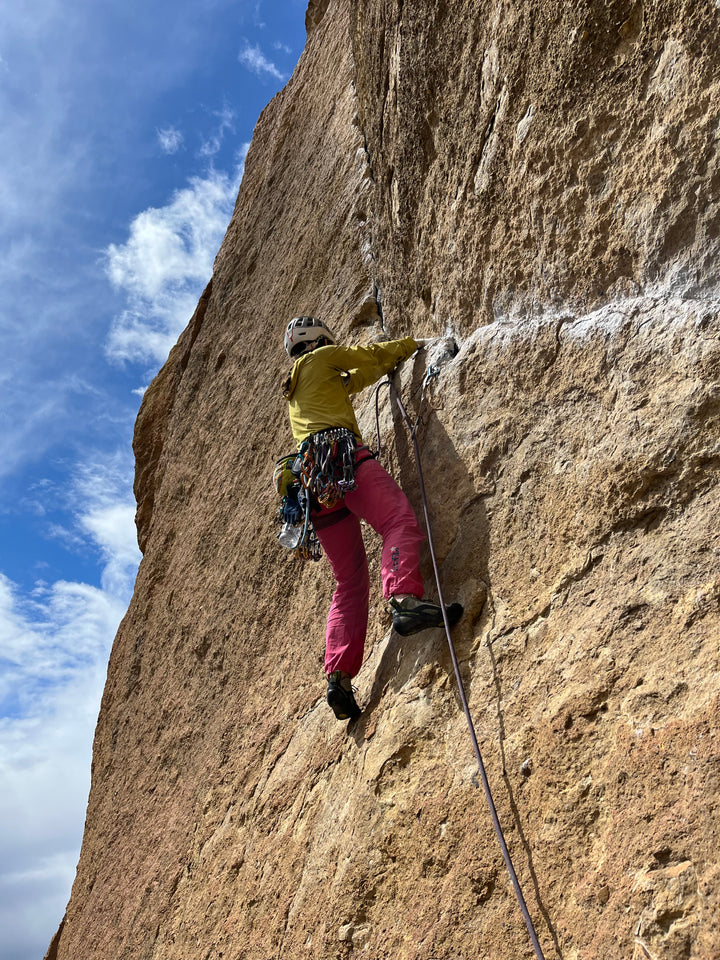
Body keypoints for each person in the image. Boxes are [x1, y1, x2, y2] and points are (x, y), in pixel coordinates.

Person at [282, 316, 463, 722]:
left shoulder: (298, 386)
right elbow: (367, 356)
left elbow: (358, 376)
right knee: (397, 519)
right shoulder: (324, 358)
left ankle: (339, 677)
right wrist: (410, 345)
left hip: (314, 486)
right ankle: (404, 599)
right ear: (321, 341)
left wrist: (383, 368)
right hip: (341, 460)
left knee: (348, 581)